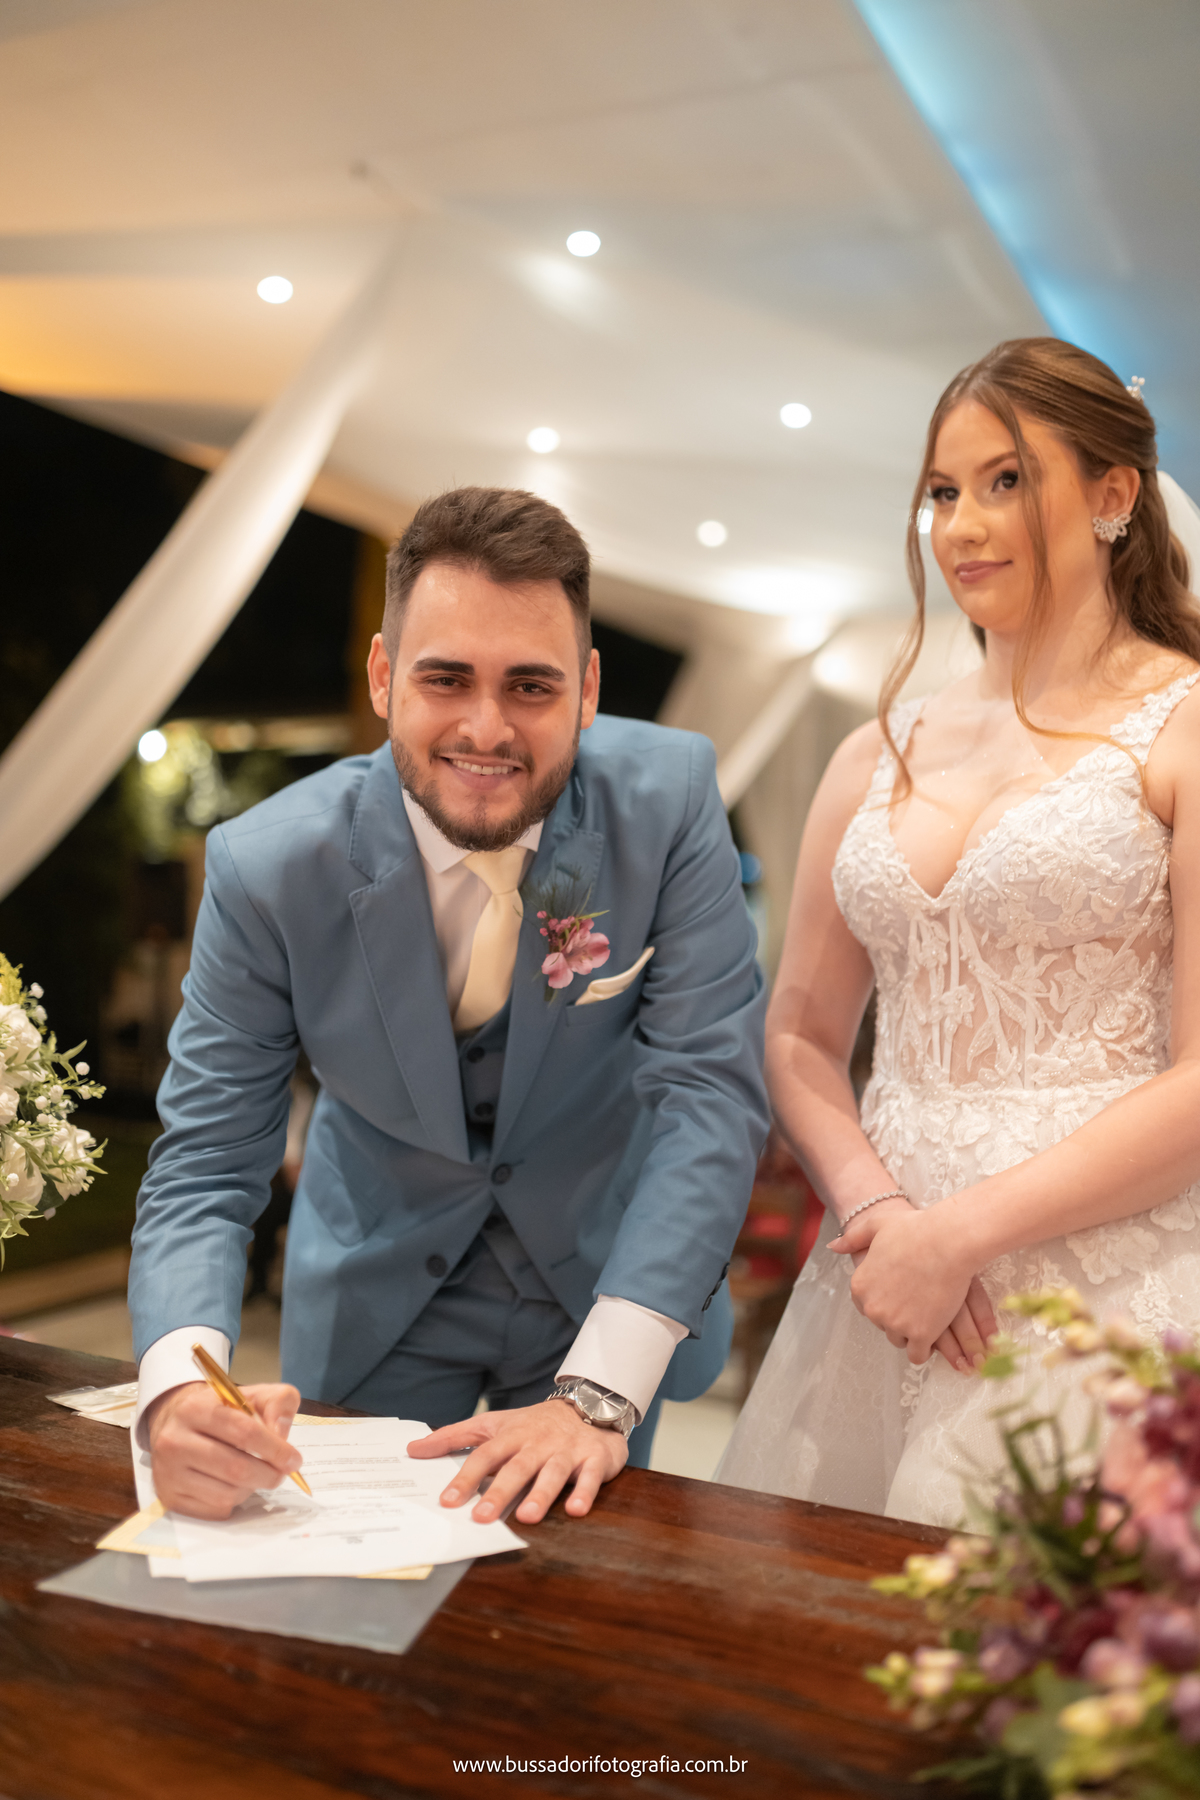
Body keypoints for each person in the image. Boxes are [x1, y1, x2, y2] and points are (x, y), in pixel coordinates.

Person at [131, 486, 768, 1524]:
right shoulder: (269, 866)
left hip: (601, 1282)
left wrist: (599, 1391)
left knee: (581, 1600)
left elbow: (710, 1096)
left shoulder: (670, 800)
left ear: (587, 689)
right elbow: (206, 1160)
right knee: (348, 1585)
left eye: (530, 685)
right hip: (378, 1283)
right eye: (445, 678)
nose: (486, 728)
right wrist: (177, 1389)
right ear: (384, 676)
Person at [718, 339, 1200, 1527]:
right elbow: (801, 1034)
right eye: (943, 491)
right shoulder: (873, 752)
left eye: (1007, 481)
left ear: (1114, 494)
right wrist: (878, 1210)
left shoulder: (1183, 729)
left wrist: (964, 1235)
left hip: (1101, 1285)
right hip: (883, 1281)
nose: (963, 526)